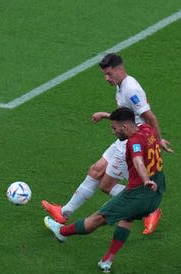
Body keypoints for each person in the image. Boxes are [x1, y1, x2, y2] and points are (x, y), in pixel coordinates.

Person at [42, 52, 174, 235]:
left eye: (109, 74)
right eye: (104, 74)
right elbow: (127, 115)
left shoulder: (131, 89)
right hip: (125, 138)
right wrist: (107, 116)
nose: (106, 78)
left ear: (119, 69)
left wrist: (157, 141)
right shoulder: (122, 86)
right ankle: (64, 212)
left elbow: (150, 117)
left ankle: (148, 211)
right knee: (95, 170)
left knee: (107, 186)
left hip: (131, 142)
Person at [43, 107, 165, 273]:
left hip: (138, 192)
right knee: (127, 218)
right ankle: (107, 260)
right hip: (157, 192)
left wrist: (145, 180)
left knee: (97, 218)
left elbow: (138, 161)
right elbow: (145, 139)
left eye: (115, 129)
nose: (113, 132)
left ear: (125, 127)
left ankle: (62, 231)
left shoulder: (133, 142)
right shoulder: (147, 129)